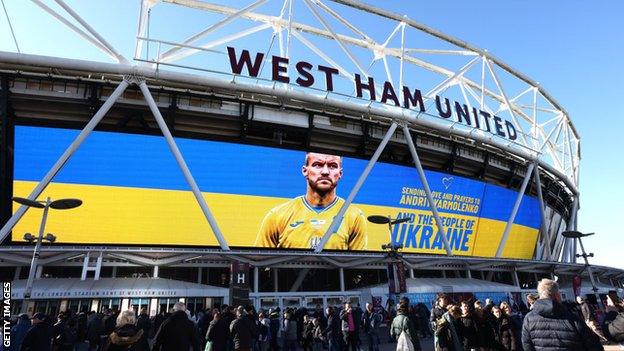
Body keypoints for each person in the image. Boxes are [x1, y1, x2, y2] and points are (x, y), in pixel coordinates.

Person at [255, 152, 367, 250]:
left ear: (340, 173)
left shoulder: (355, 216)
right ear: (305, 171)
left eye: (332, 166)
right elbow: (259, 264)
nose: (325, 172)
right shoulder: (277, 215)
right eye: (317, 165)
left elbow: (359, 269)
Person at [521, 278, 603, 351]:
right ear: (557, 295)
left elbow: (527, 345)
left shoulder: (528, 319)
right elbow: (593, 345)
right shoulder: (572, 317)